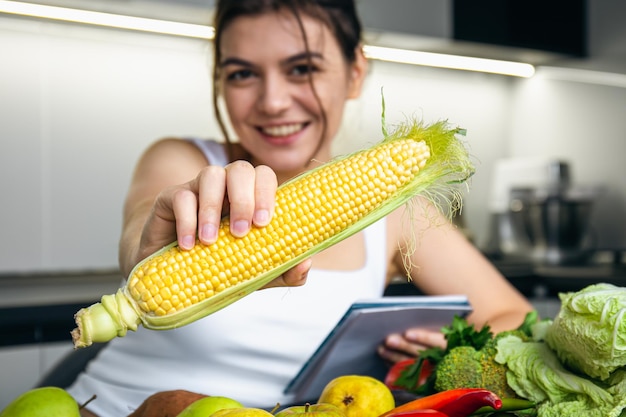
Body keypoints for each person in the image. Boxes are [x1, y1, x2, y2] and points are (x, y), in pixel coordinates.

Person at [66, 0, 534, 416]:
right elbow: (141, 229)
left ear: (355, 73)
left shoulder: (394, 213)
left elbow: (513, 315)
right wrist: (149, 250)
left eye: (302, 68)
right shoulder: (186, 161)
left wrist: (449, 349)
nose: (272, 101)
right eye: (242, 73)